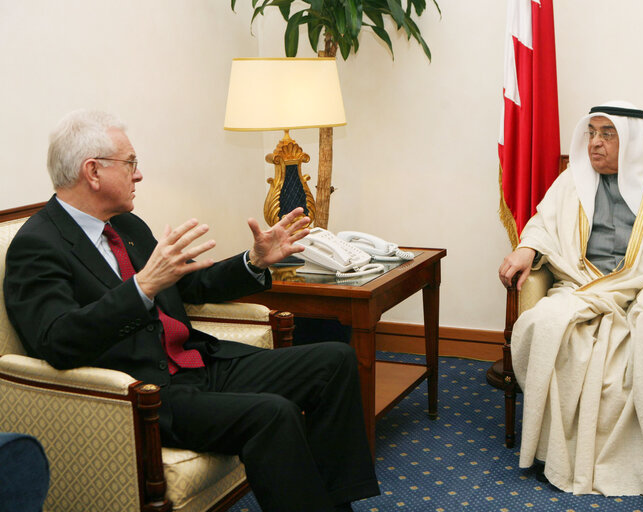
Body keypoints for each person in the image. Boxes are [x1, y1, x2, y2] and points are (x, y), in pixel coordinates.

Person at [3, 110, 380, 512]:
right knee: (274, 413)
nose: (139, 175)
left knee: (334, 360)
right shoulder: (38, 245)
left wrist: (254, 260)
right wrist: (142, 287)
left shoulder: (126, 226)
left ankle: (337, 505)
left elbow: (190, 287)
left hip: (200, 364)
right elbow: (56, 340)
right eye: (131, 163)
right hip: (146, 392)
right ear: (93, 171)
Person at [498, 101, 643, 512]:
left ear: (633, 141)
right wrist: (526, 247)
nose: (595, 144)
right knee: (542, 323)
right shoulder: (572, 182)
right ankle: (555, 452)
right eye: (591, 133)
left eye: (607, 134)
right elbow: (542, 222)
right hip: (584, 287)